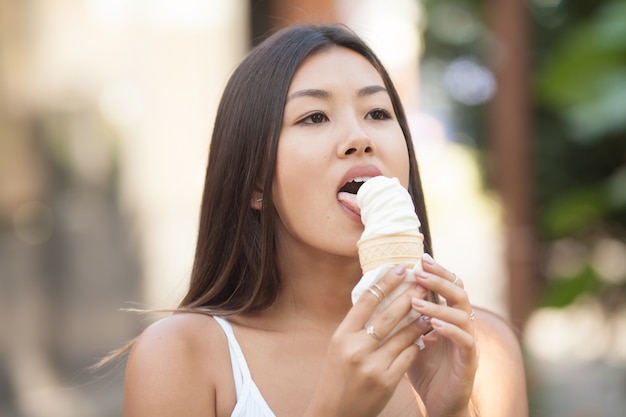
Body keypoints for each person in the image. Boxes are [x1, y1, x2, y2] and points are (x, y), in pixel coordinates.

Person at [123, 23, 528, 417]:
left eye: (378, 112)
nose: (360, 137)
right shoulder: (181, 357)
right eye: (315, 117)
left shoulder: (477, 348)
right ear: (254, 184)